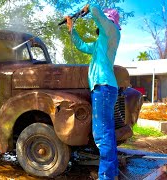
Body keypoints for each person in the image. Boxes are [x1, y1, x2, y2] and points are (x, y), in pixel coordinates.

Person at [65, 4, 121, 180]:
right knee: (106, 133)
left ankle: (106, 177)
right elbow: (82, 46)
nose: (99, 26)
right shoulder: (99, 43)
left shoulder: (113, 32)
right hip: (102, 88)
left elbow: (98, 15)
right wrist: (71, 29)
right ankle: (110, 173)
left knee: (102, 134)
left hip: (104, 87)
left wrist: (89, 7)